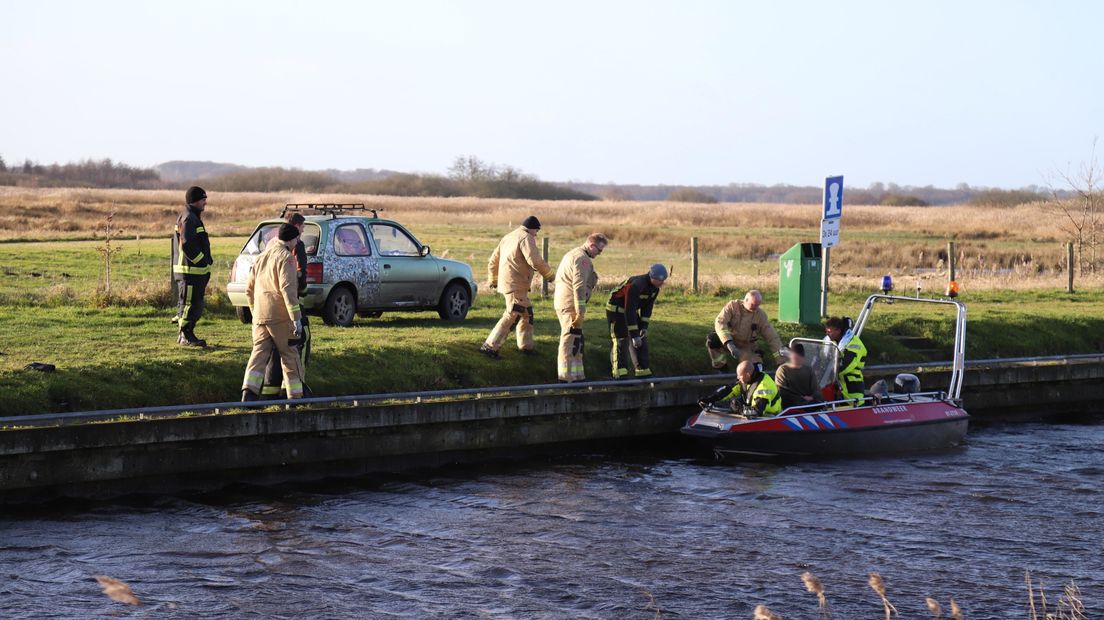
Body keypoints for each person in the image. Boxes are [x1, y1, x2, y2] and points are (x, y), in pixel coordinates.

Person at [241, 224, 305, 401]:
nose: (297, 242)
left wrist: (256, 313)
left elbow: (249, 289)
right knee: (290, 354)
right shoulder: (287, 258)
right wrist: (296, 319)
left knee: (258, 354)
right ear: (292, 239)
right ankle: (296, 397)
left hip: (260, 316)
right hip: (280, 316)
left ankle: (249, 393)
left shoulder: (261, 257)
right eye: (297, 239)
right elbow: (288, 290)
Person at [480, 216, 555, 359]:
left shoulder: (508, 237)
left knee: (527, 314)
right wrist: (550, 275)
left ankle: (526, 347)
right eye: (536, 232)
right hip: (516, 284)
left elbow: (493, 260)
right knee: (513, 313)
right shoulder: (526, 237)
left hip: (508, 283)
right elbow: (535, 261)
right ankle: (489, 347)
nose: (536, 235)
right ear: (533, 229)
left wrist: (494, 280)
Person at [260, 213, 312, 398]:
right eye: (302, 227)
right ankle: (297, 390)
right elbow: (300, 276)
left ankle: (269, 392)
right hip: (292, 306)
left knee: (274, 349)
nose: (303, 232)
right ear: (296, 227)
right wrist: (302, 292)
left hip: (268, 308)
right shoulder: (295, 247)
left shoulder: (271, 244)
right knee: (299, 343)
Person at [553, 233, 607, 382]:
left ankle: (577, 376)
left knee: (577, 340)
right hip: (571, 304)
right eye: (599, 250)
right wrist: (580, 309)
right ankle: (565, 377)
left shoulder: (575, 254)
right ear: (591, 245)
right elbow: (579, 286)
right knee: (569, 339)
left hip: (567, 302)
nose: (600, 253)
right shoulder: (582, 259)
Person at [606, 264, 668, 378]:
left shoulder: (655, 289)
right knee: (621, 339)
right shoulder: (637, 285)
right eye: (659, 280)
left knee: (642, 337)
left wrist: (644, 327)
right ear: (652, 277)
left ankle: (642, 371)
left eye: (663, 280)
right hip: (616, 309)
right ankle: (620, 373)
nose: (661, 283)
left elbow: (647, 308)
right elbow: (629, 310)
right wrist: (634, 335)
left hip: (630, 309)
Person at [172, 186, 213, 346]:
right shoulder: (189, 218)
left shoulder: (192, 217)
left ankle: (187, 334)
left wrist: (207, 261)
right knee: (189, 305)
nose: (205, 203)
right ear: (195, 201)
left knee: (194, 304)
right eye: (203, 200)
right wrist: (202, 260)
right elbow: (187, 244)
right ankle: (185, 336)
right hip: (189, 271)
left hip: (194, 271)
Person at [707, 290, 786, 372]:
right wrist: (729, 343)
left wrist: (781, 361)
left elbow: (772, 338)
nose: (755, 308)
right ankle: (722, 369)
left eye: (757, 305)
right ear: (746, 300)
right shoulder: (732, 306)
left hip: (747, 347)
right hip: (729, 342)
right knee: (712, 340)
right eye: (753, 305)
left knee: (756, 371)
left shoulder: (760, 315)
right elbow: (720, 322)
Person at [696, 360, 782, 417]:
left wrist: (739, 409)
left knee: (735, 405)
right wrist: (711, 398)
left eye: (739, 376)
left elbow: (757, 411)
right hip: (753, 414)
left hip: (769, 416)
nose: (738, 377)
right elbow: (729, 390)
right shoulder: (746, 379)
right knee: (732, 402)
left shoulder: (763, 386)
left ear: (748, 375)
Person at [825, 316, 867, 405]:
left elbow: (846, 366)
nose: (827, 334)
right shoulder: (831, 342)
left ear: (838, 330)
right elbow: (820, 358)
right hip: (835, 386)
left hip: (852, 386)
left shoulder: (854, 344)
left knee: (854, 408)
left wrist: (827, 373)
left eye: (829, 332)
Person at [774, 343, 822, 410]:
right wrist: (801, 398)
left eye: (799, 355)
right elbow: (781, 391)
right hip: (790, 408)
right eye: (795, 355)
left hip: (809, 405)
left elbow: (816, 389)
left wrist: (812, 397)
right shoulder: (782, 370)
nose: (797, 358)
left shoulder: (808, 370)